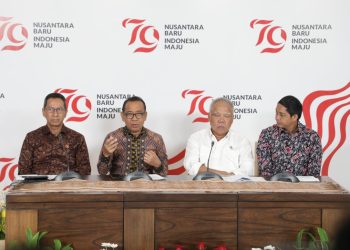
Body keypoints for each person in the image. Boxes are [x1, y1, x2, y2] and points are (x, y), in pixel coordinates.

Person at [18, 93, 91, 175]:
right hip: (38, 185)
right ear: (43, 112)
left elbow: (85, 171)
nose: (55, 114)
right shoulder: (32, 137)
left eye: (59, 109)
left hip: (67, 185)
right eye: (50, 109)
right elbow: (23, 170)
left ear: (66, 112)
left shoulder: (77, 138)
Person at [97, 96, 168, 177]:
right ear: (123, 116)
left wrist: (157, 164)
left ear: (145, 116)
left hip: (146, 187)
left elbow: (164, 173)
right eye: (129, 114)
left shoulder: (156, 139)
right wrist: (105, 154)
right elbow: (102, 172)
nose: (134, 119)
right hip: (119, 186)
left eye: (139, 114)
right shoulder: (112, 138)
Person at [184, 97, 254, 177]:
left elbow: (248, 169)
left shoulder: (242, 141)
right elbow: (191, 166)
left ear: (232, 119)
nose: (221, 120)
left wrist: (206, 170)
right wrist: (224, 175)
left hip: (232, 187)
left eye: (226, 116)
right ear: (209, 117)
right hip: (202, 187)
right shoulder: (196, 138)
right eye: (217, 115)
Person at [256, 95, 322, 178]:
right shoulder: (267, 134)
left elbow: (314, 173)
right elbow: (265, 171)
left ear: (294, 117)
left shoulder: (312, 137)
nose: (277, 117)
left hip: (303, 188)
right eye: (276, 113)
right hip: (273, 188)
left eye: (282, 115)